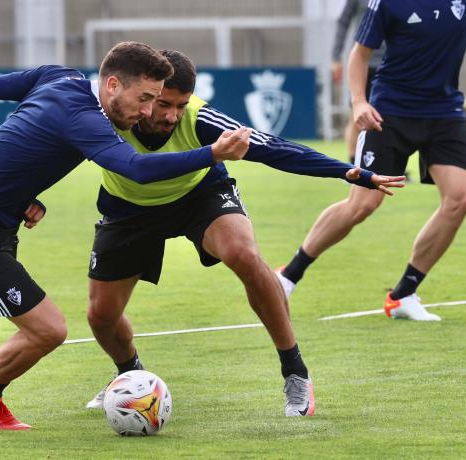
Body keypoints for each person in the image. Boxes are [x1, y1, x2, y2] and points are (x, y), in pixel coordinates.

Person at [0, 41, 254, 430]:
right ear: (112, 84)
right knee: (48, 329)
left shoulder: (60, 76)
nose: (147, 112)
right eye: (144, 98)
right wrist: (212, 153)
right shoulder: (85, 118)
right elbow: (137, 168)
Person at [83, 50, 405, 417]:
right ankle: (132, 379)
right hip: (129, 208)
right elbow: (48, 151)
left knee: (243, 252)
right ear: (145, 92)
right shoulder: (109, 114)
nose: (172, 115)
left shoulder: (199, 118)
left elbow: (272, 148)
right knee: (101, 316)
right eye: (162, 104)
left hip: (198, 195)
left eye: (180, 105)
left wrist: (349, 171)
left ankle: (295, 372)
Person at [278, 1, 466, 321]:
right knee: (362, 205)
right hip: (390, 112)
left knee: (459, 199)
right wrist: (358, 103)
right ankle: (288, 275)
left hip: (444, 113)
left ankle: (403, 294)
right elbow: (360, 53)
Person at [331, 0, 385, 164]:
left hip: (391, 63)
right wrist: (336, 57)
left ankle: (389, 164)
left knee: (391, 116)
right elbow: (343, 22)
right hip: (364, 63)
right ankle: (353, 164)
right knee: (357, 114)